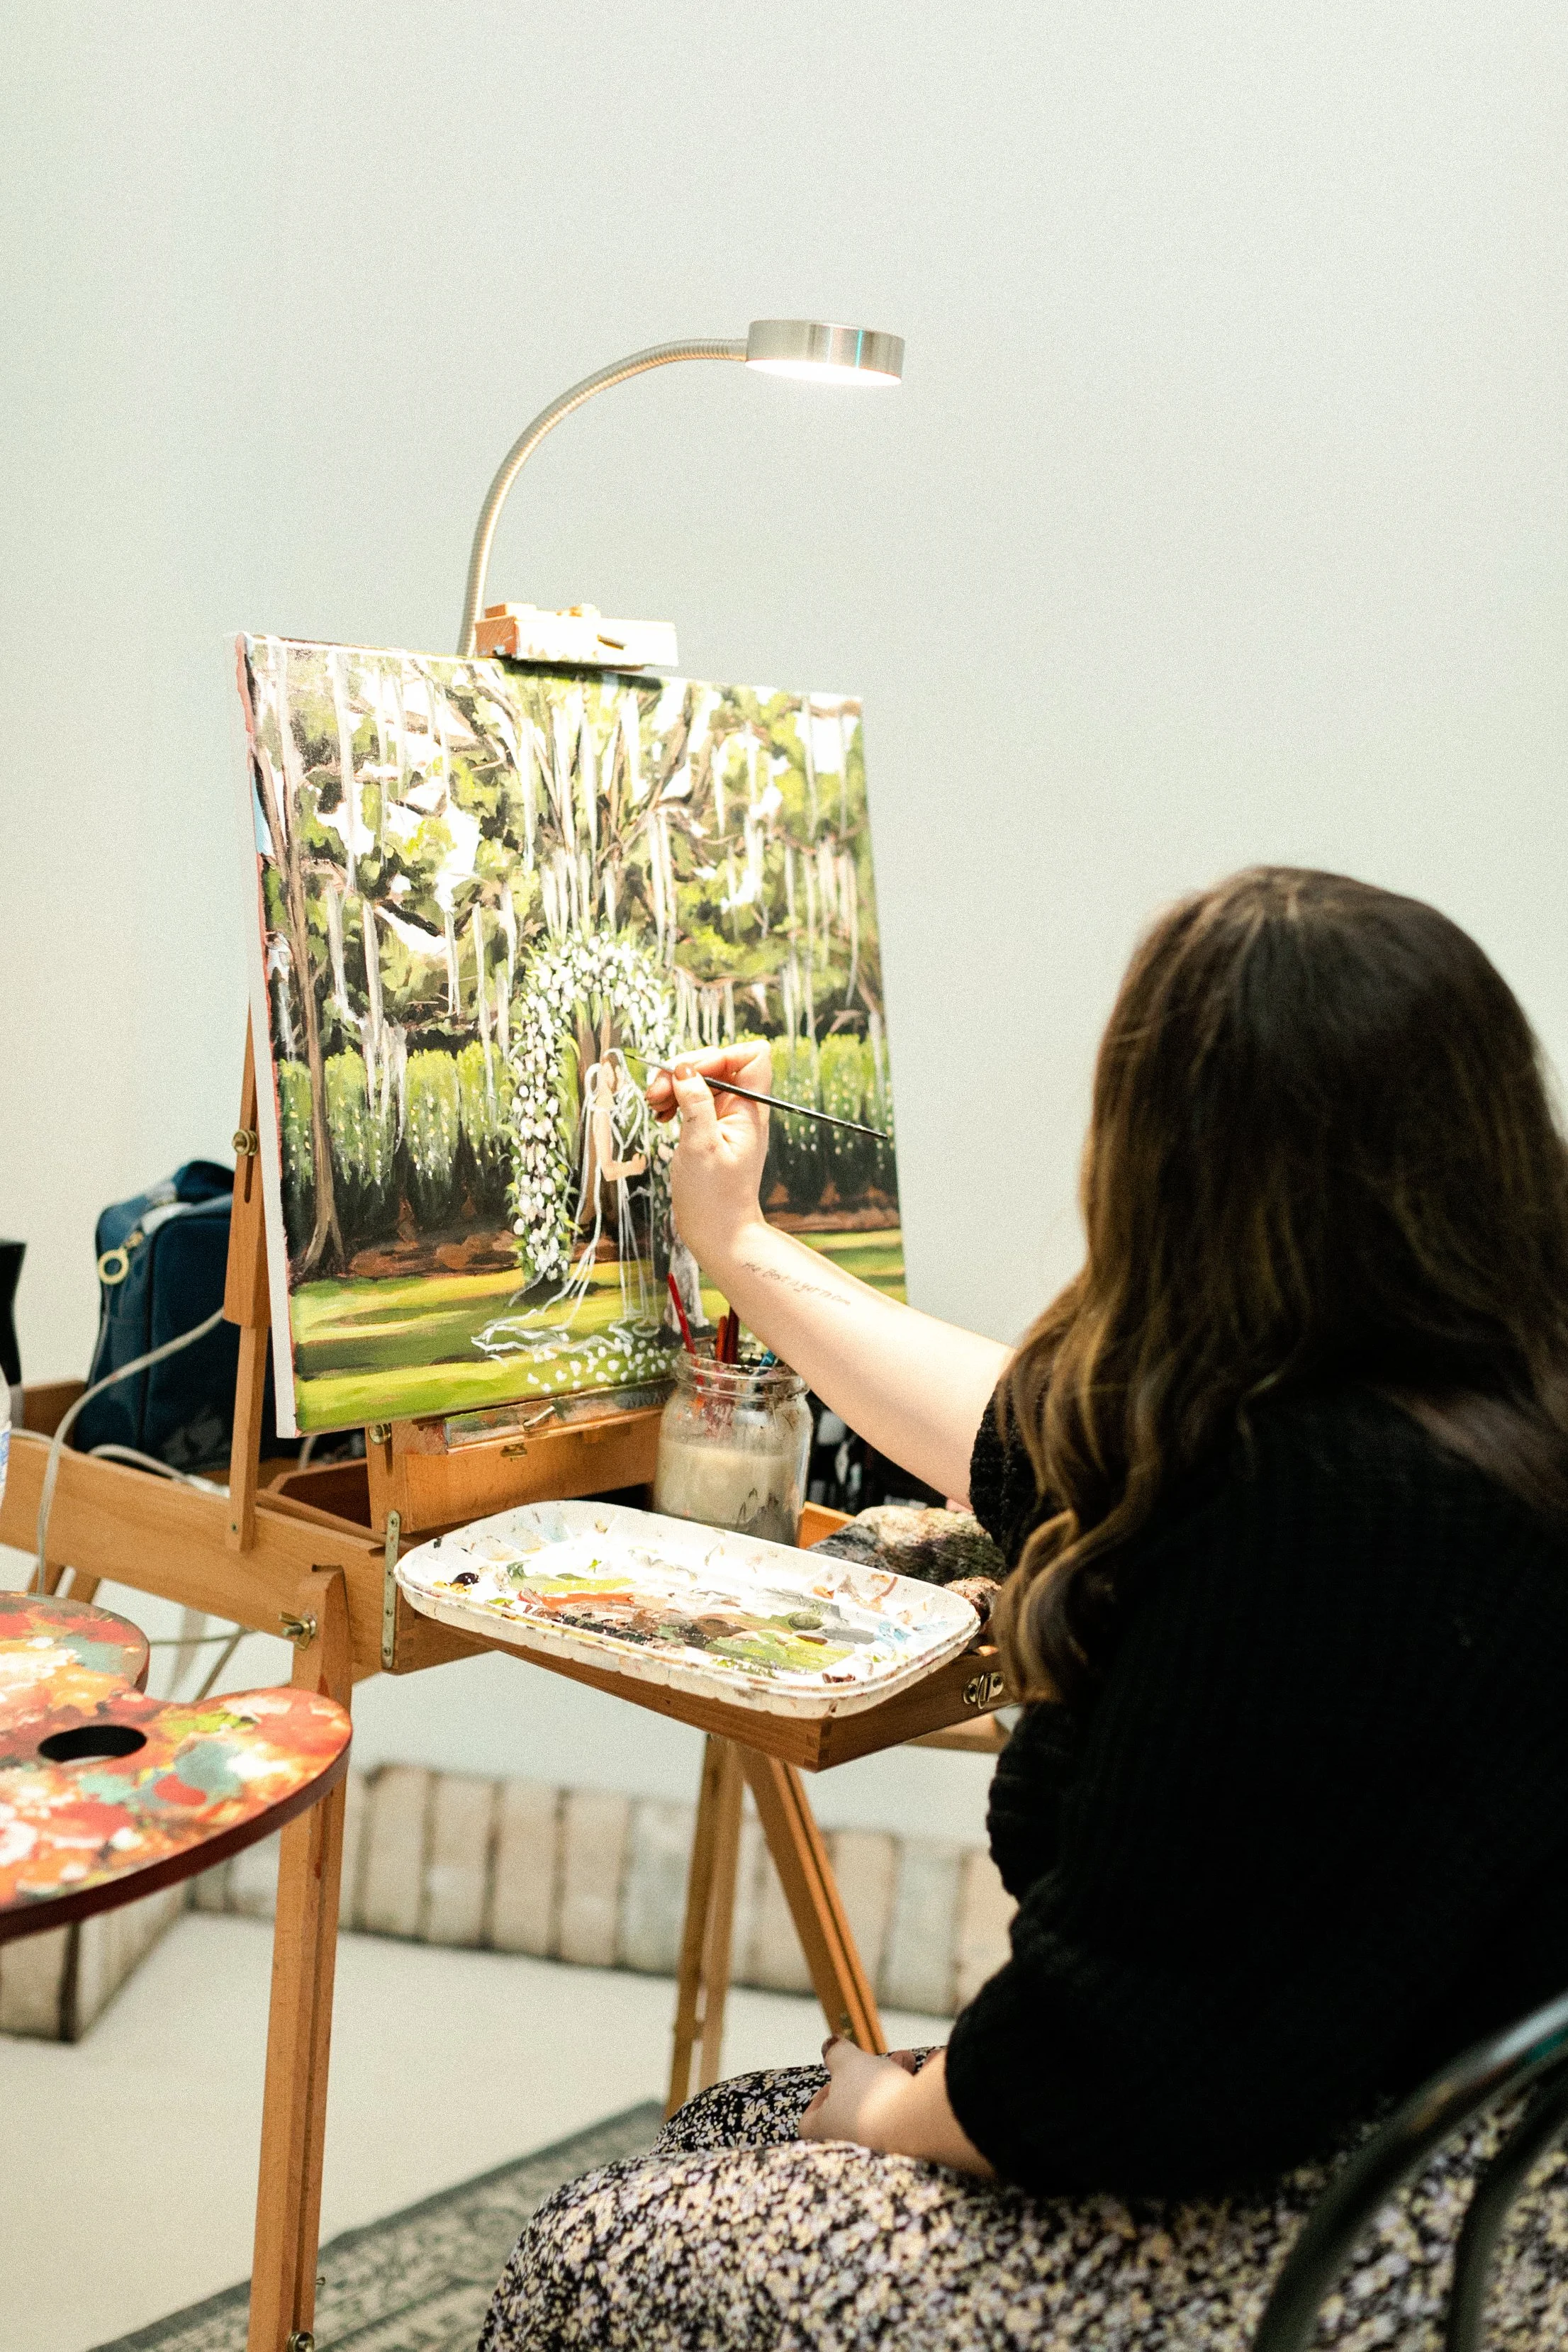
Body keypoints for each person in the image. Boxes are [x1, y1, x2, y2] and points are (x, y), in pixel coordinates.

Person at [480, 868, 1568, 2350]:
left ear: (1168, 1163)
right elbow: (1038, 1435)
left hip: (1362, 2242)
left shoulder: (1311, 1511)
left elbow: (1111, 2073)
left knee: (595, 2245)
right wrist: (737, 1244)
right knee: (729, 2126)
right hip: (1480, 2160)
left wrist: (881, 2104)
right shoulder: (1477, 1397)